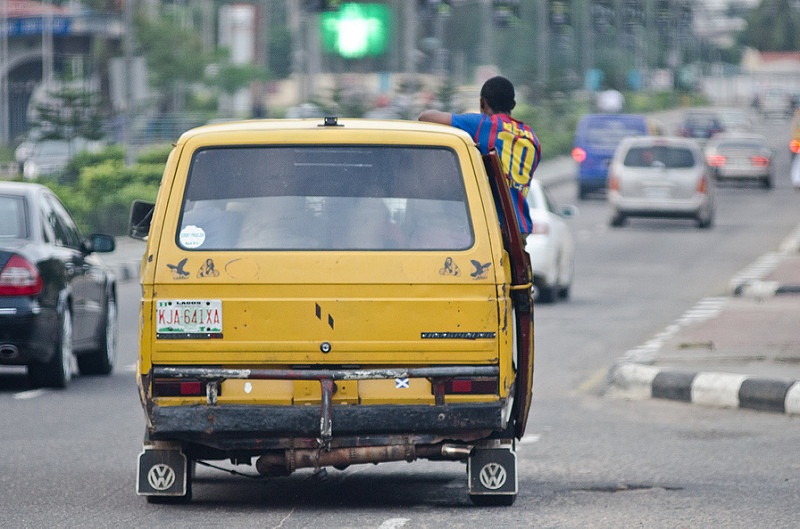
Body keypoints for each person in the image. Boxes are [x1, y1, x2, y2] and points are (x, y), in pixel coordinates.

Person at [418, 76, 541, 235]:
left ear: (483, 102)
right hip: (520, 230)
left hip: (494, 228)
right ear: (513, 105)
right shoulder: (532, 137)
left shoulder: (483, 124)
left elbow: (426, 117)